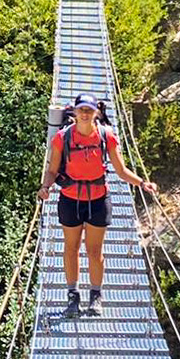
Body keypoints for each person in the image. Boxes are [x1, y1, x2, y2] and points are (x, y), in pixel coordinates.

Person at [38, 93, 157, 317]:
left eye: (89, 110)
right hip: (71, 199)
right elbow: (52, 170)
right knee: (71, 249)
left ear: (96, 113)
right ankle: (73, 295)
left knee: (94, 251)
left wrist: (142, 183)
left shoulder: (106, 136)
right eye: (81, 109)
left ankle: (95, 295)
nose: (84, 114)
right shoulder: (62, 138)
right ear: (73, 112)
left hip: (98, 200)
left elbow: (121, 171)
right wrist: (45, 187)